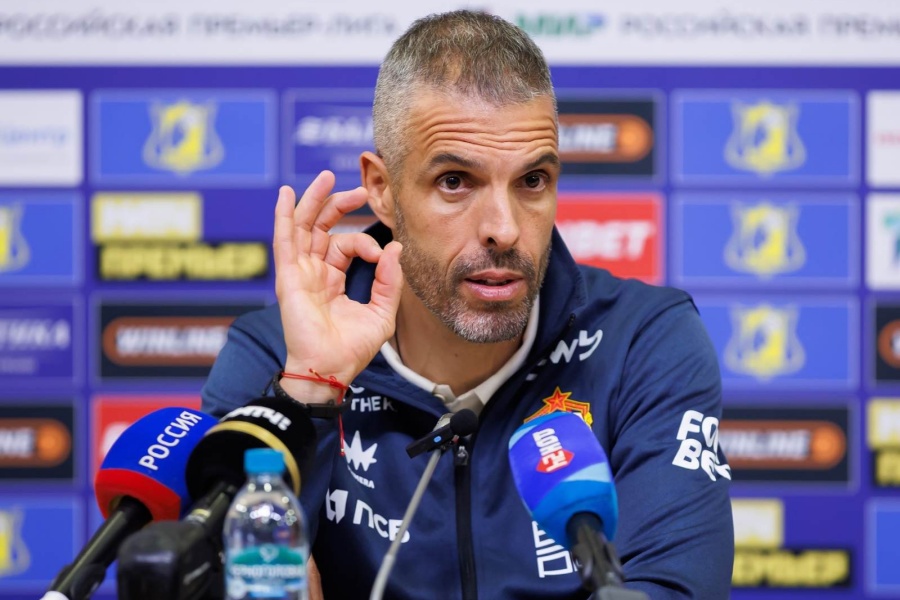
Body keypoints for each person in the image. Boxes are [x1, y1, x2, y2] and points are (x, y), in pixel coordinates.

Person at [202, 10, 733, 599]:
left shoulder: (641, 341)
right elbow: (220, 582)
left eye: (532, 181)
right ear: (382, 189)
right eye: (455, 181)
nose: (504, 228)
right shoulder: (275, 354)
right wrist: (309, 392)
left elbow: (674, 588)